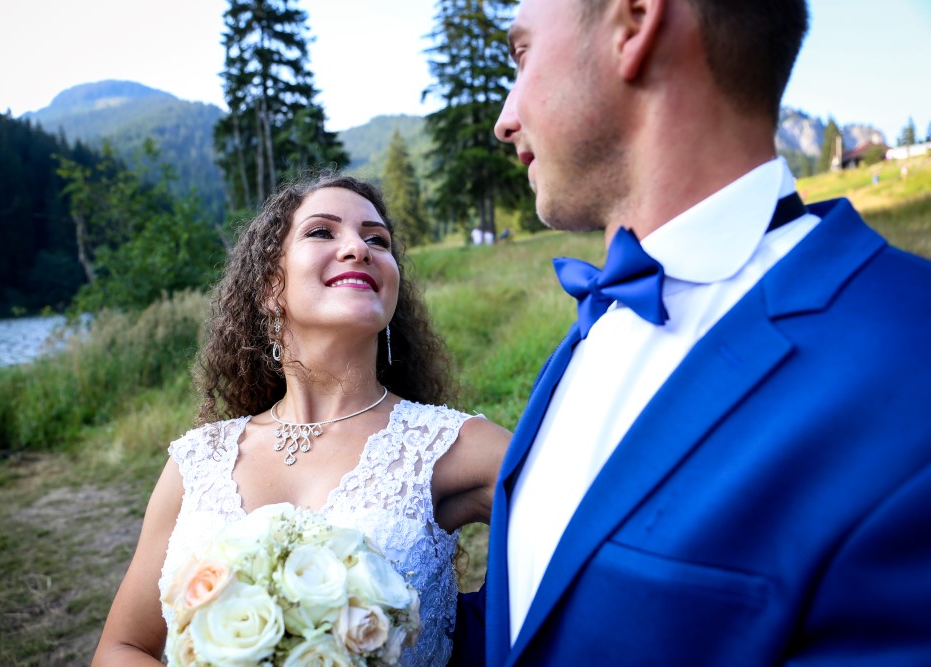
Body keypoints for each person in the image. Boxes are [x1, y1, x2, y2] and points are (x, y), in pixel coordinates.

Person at [451, 0, 931, 665]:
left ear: (634, 22)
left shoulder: (910, 367)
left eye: (523, 54)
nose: (505, 120)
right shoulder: (597, 320)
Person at [92, 173, 510, 666]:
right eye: (322, 231)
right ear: (272, 285)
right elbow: (120, 649)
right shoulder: (198, 460)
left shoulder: (449, 445)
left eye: (378, 240)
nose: (359, 248)